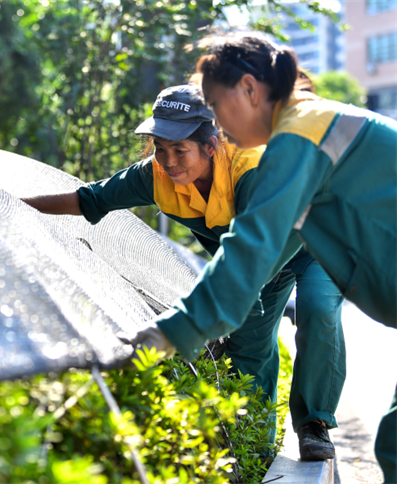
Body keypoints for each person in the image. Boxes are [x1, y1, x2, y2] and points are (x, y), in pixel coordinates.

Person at [22, 84, 346, 460]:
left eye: (180, 149)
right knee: (247, 349)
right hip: (253, 260)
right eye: (161, 148)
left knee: (319, 310)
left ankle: (314, 423)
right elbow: (88, 199)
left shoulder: (253, 168)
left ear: (212, 145)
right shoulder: (155, 177)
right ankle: (253, 449)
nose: (169, 160)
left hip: (312, 241)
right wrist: (13, 203)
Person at [134, 37, 396, 483]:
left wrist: (171, 331)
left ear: (250, 89)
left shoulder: (300, 135)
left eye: (216, 105)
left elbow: (251, 245)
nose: (216, 122)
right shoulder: (308, 128)